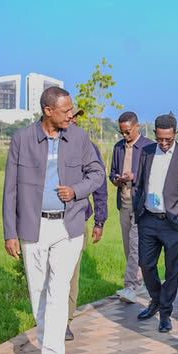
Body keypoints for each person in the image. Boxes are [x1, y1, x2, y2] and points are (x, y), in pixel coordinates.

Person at [3, 87, 104, 354]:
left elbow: (97, 173)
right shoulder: (22, 139)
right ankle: (49, 349)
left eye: (72, 109)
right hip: (33, 227)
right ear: (48, 110)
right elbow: (10, 190)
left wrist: (77, 191)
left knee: (58, 290)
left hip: (68, 227)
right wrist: (10, 232)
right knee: (39, 292)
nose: (72, 114)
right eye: (66, 110)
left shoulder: (80, 138)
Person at [134, 114, 178, 333]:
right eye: (160, 139)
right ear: (155, 134)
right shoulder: (147, 152)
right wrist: (138, 210)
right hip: (149, 219)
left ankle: (165, 313)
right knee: (145, 264)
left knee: (172, 270)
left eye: (168, 139)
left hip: (174, 222)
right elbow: (140, 183)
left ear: (175, 134)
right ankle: (156, 299)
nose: (164, 143)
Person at [66, 109, 108, 341]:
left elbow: (99, 186)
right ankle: (46, 318)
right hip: (45, 220)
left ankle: (65, 320)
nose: (71, 120)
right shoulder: (44, 145)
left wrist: (99, 220)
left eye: (74, 116)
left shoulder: (87, 147)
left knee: (71, 273)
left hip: (77, 219)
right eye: (68, 115)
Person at [109, 112, 154, 303]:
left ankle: (131, 286)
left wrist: (134, 176)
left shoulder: (149, 147)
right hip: (124, 203)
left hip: (141, 204)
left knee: (135, 245)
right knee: (129, 247)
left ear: (137, 127)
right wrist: (116, 179)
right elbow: (112, 172)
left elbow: (153, 175)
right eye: (122, 132)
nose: (125, 135)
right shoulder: (118, 147)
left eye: (128, 131)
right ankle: (140, 282)